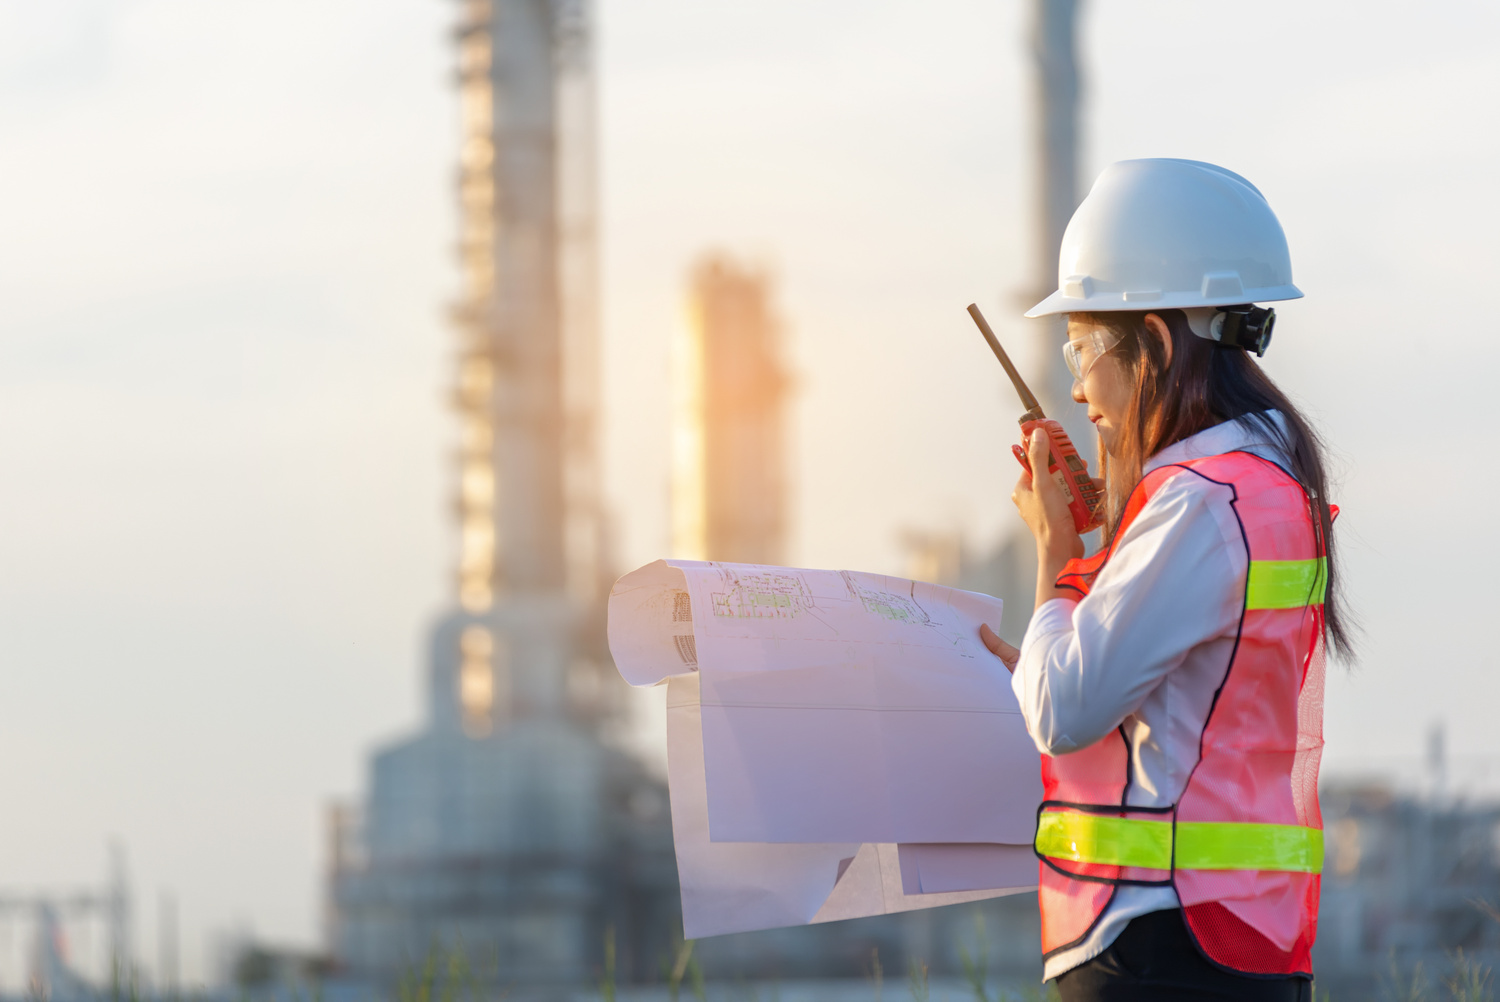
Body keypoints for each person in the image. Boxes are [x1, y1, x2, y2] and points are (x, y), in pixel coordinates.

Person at [978, 159, 1353, 1002]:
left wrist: (1061, 554)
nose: (1075, 386)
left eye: (1079, 347)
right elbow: (1199, 710)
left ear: (1149, 339)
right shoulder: (1267, 486)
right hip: (1241, 936)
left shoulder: (1194, 506)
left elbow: (1062, 711)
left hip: (1156, 942)